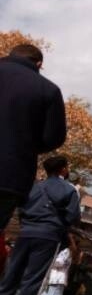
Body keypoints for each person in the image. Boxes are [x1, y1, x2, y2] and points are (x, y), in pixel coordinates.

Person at [0, 155, 79, 295]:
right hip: (49, 236)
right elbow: (73, 217)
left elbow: (20, 208)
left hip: (25, 233)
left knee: (10, 276)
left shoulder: (34, 186)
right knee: (33, 280)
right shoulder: (69, 189)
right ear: (63, 169)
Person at [0, 44, 67, 233]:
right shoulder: (49, 90)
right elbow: (54, 137)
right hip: (9, 176)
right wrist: (25, 145)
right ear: (39, 64)